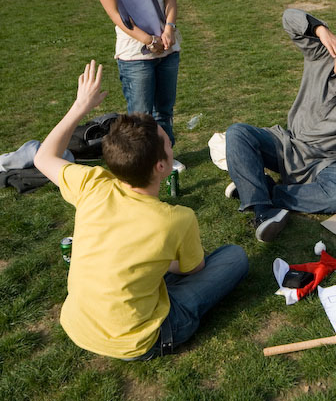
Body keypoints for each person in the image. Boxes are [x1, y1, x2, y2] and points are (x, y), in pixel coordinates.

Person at [34, 61, 248, 360]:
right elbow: (193, 270)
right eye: (168, 143)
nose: (172, 145)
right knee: (234, 257)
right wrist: (162, 263)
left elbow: (43, 157)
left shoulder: (92, 183)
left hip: (77, 325)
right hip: (143, 340)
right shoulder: (177, 218)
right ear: (162, 167)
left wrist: (80, 106)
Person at [225, 8, 336, 243]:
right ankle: (263, 211)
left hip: (327, 162)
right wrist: (322, 31)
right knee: (238, 133)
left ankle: (259, 190)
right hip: (287, 144)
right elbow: (289, 18)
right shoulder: (322, 55)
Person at [99, 0, 185, 170]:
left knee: (164, 110)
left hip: (168, 50)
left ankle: (164, 157)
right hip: (135, 56)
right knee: (140, 116)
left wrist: (169, 28)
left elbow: (170, 1)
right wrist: (148, 40)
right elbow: (115, 14)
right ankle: (143, 163)